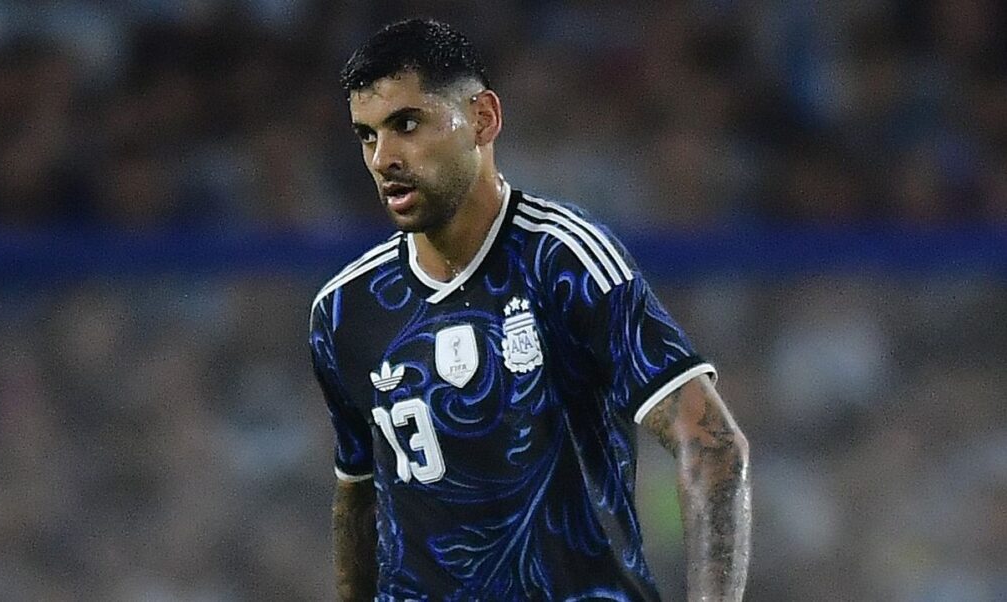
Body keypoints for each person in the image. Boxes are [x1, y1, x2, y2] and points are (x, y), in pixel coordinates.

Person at [309, 19, 751, 602]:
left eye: (407, 124)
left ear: (483, 119)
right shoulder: (345, 310)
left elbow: (713, 444)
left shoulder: (564, 261)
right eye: (366, 135)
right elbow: (358, 499)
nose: (383, 157)